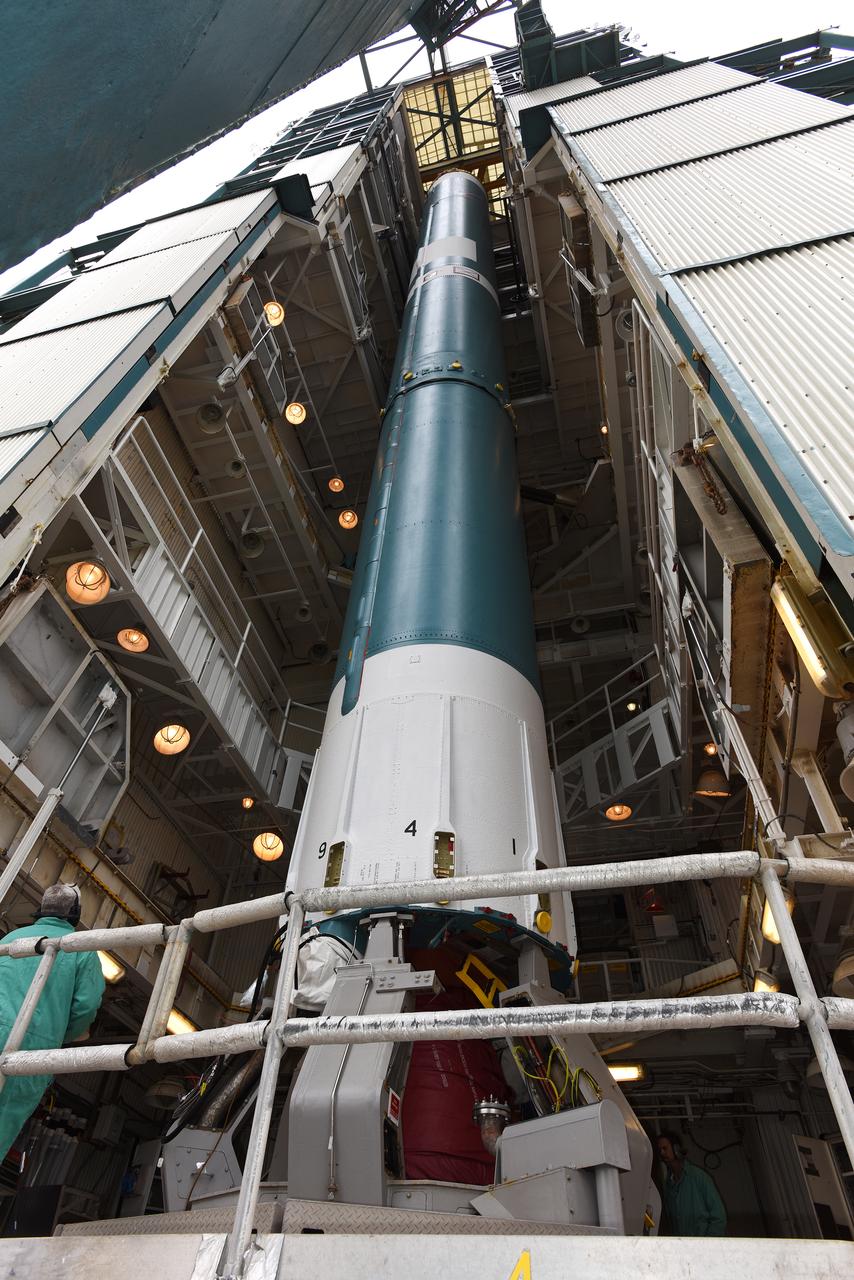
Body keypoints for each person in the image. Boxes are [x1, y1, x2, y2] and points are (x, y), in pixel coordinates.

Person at [0, 884, 105, 1161]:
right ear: (75, 913)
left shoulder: (12, 937)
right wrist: (63, 1034)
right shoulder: (81, 949)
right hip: (32, 1048)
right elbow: (86, 1005)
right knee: (4, 1117)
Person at [656, 1131, 727, 1236]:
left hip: (703, 1243)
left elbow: (719, 1217)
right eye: (660, 1150)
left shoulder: (698, 1177)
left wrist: (709, 1242)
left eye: (665, 1148)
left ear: (676, 1149)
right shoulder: (668, 1184)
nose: (662, 1153)